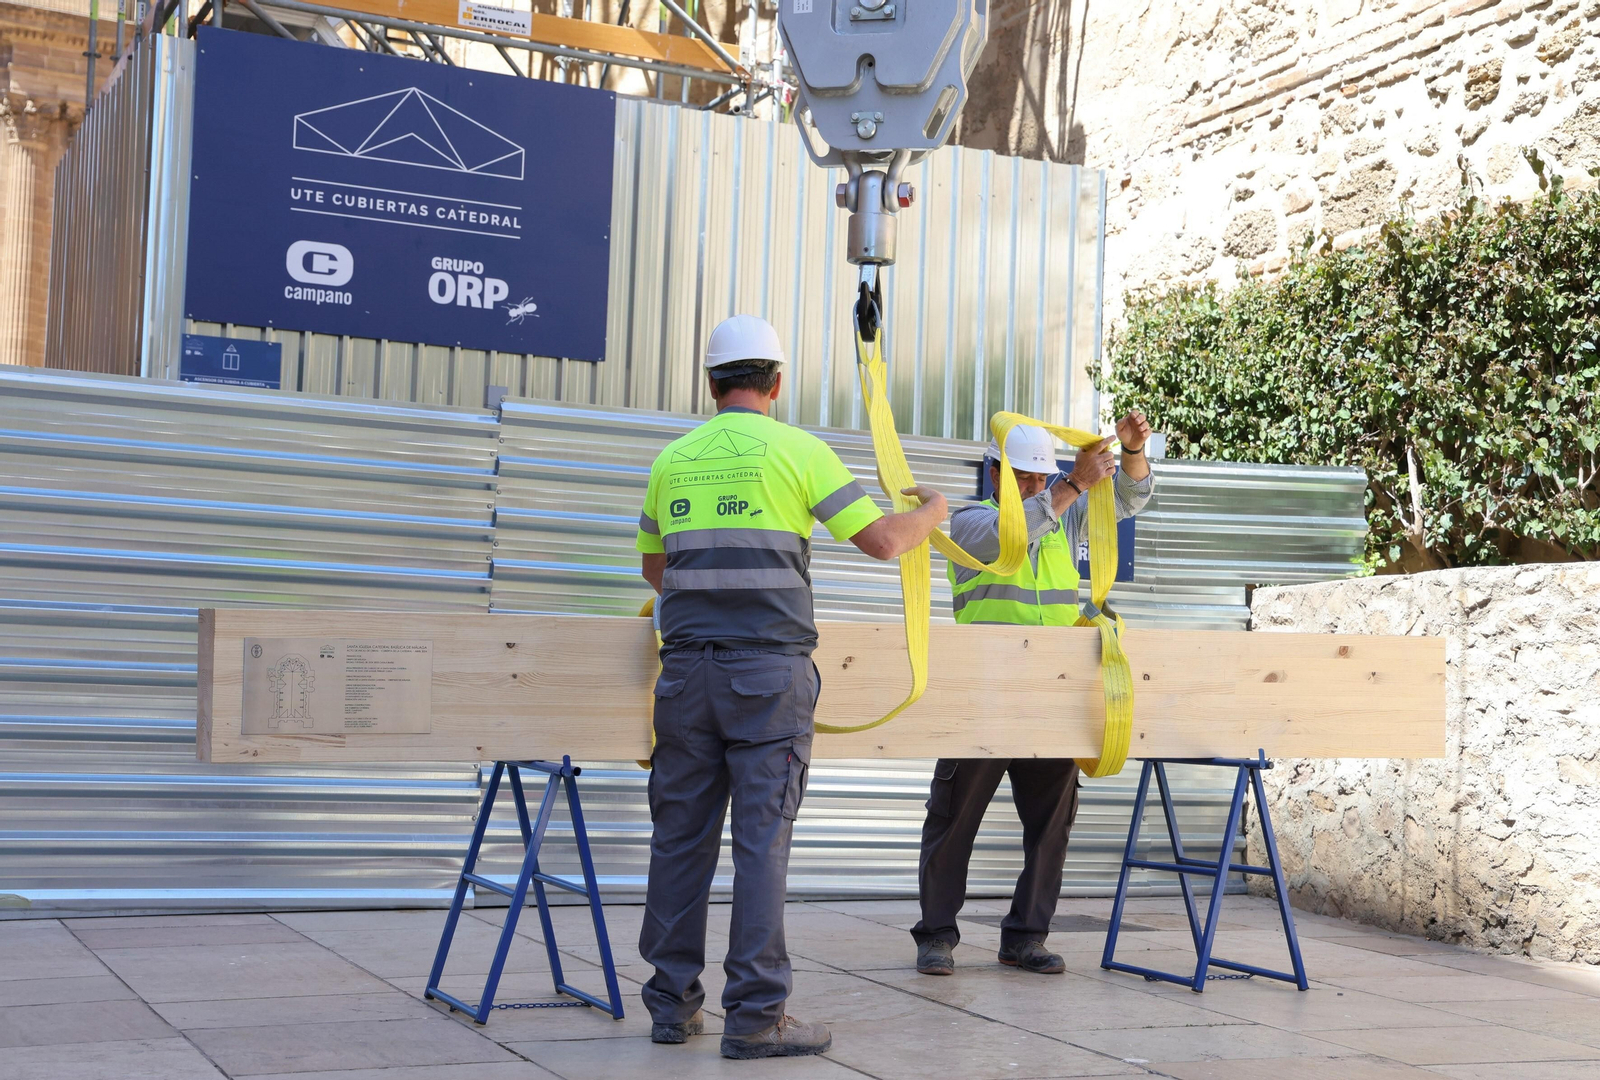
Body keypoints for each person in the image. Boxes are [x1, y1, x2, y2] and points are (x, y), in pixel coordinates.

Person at [635, 314, 949, 1059]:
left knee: (678, 842)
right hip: (768, 679)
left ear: (711, 383)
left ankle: (672, 1008)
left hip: (684, 677)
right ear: (776, 383)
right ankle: (755, 1019)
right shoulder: (799, 451)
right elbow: (882, 542)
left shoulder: (671, 460)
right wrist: (933, 513)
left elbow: (655, 569)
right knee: (760, 847)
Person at [910, 416, 1154, 977]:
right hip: (986, 694)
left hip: (1053, 696)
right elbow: (1013, 535)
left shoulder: (1065, 518)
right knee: (953, 819)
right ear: (995, 474)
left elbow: (1127, 499)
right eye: (1023, 477)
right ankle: (937, 936)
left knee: (1051, 825)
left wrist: (1133, 452)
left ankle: (1026, 936)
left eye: (1042, 478)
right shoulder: (970, 523)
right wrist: (1074, 483)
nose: (1035, 487)